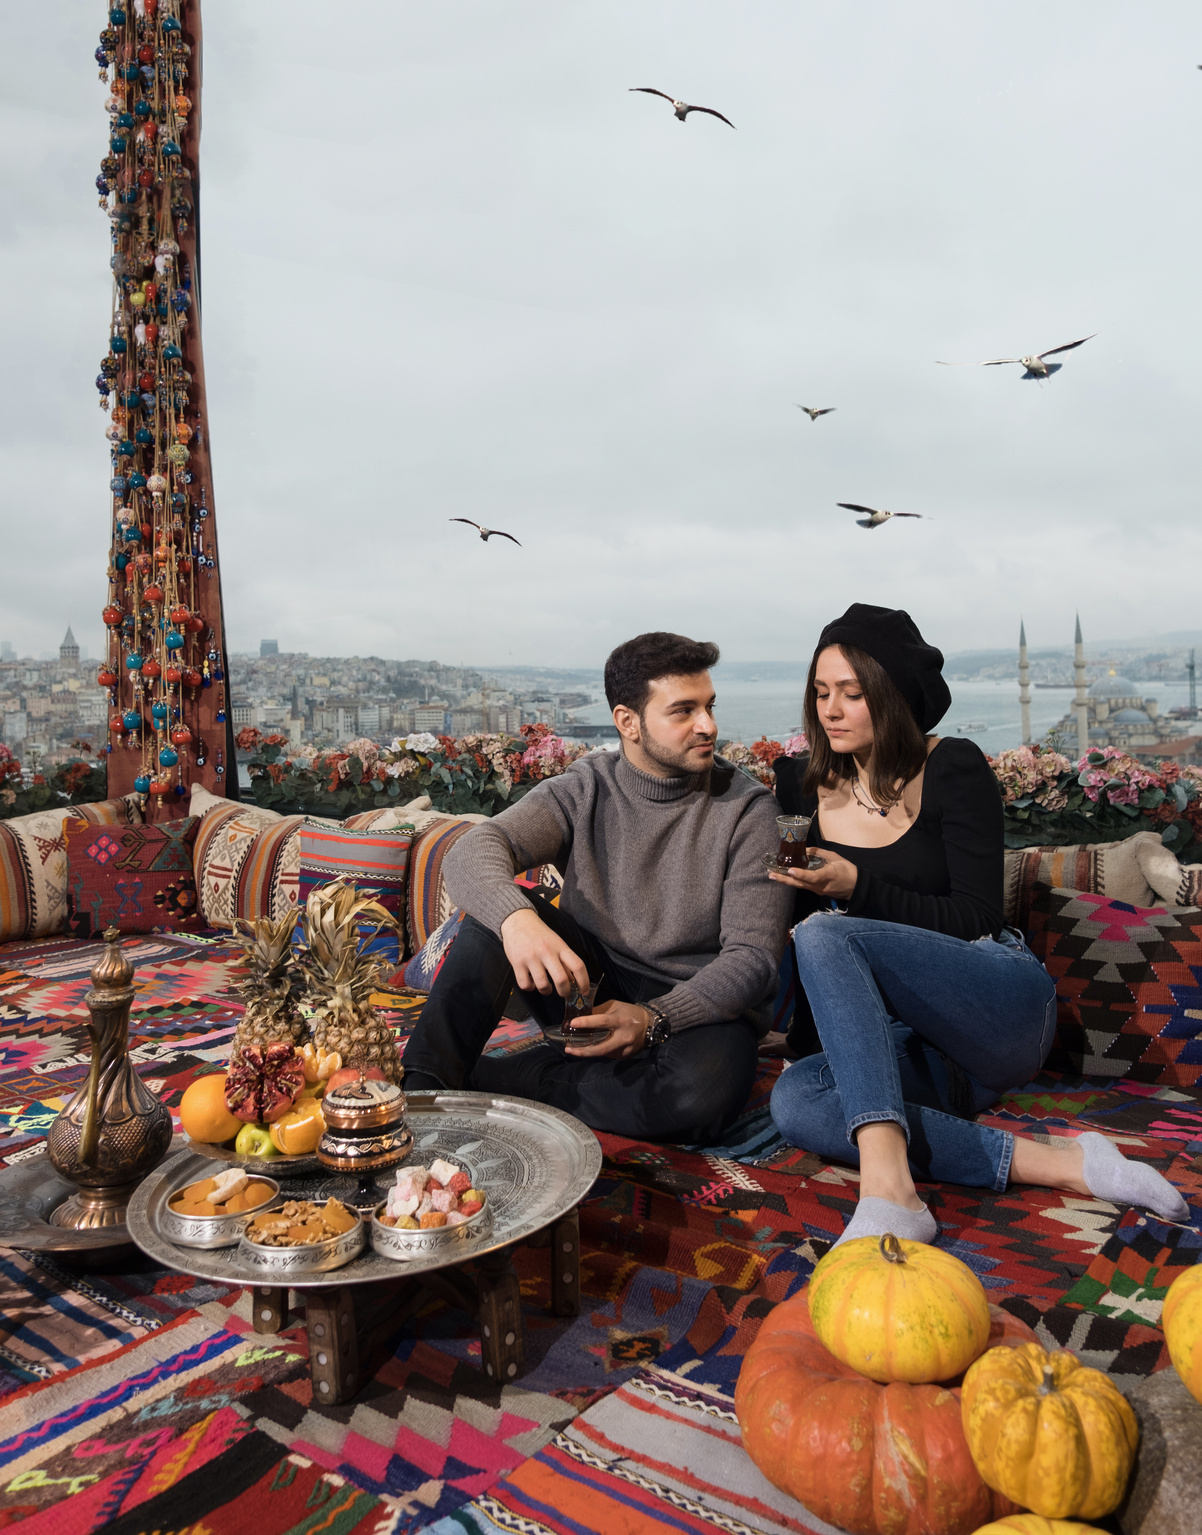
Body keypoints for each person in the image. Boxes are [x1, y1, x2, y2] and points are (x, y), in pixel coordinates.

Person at [769, 603, 1190, 1247]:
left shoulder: (952, 767)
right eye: (821, 692)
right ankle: (1066, 1164)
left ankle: (889, 1192)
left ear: (893, 695)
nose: (831, 710)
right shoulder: (801, 787)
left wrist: (859, 888)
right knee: (797, 1098)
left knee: (831, 931)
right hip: (916, 1049)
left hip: (995, 1006)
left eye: (852, 694)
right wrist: (802, 1039)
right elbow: (803, 925)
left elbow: (976, 917)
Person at [402, 631, 794, 1142]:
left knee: (701, 1097)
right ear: (628, 722)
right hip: (589, 984)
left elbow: (753, 960)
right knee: (494, 917)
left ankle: (491, 1079)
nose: (708, 726)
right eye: (684, 711)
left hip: (699, 1003)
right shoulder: (585, 786)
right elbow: (473, 851)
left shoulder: (750, 810)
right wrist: (517, 921)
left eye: (709, 706)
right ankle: (420, 1093)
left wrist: (654, 1018)